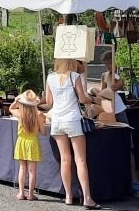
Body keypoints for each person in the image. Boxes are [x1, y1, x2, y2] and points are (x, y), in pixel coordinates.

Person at [41, 58, 100, 209]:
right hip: (72, 120)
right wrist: (93, 99)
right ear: (70, 63)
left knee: (65, 160)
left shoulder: (50, 77)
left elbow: (48, 102)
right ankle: (87, 198)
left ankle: (68, 196)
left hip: (57, 121)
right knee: (80, 160)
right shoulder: (74, 77)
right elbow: (82, 98)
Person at [10, 89, 45, 201]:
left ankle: (21, 193)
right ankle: (30, 194)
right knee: (32, 171)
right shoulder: (38, 115)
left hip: (21, 141)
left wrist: (16, 100)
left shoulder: (20, 114)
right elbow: (43, 132)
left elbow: (11, 108)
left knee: (22, 168)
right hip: (32, 142)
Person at [98, 51, 128, 124]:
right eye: (105, 64)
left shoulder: (117, 74)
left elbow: (119, 84)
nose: (107, 66)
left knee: (124, 129)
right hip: (108, 107)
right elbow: (103, 92)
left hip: (118, 108)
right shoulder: (104, 75)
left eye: (109, 63)